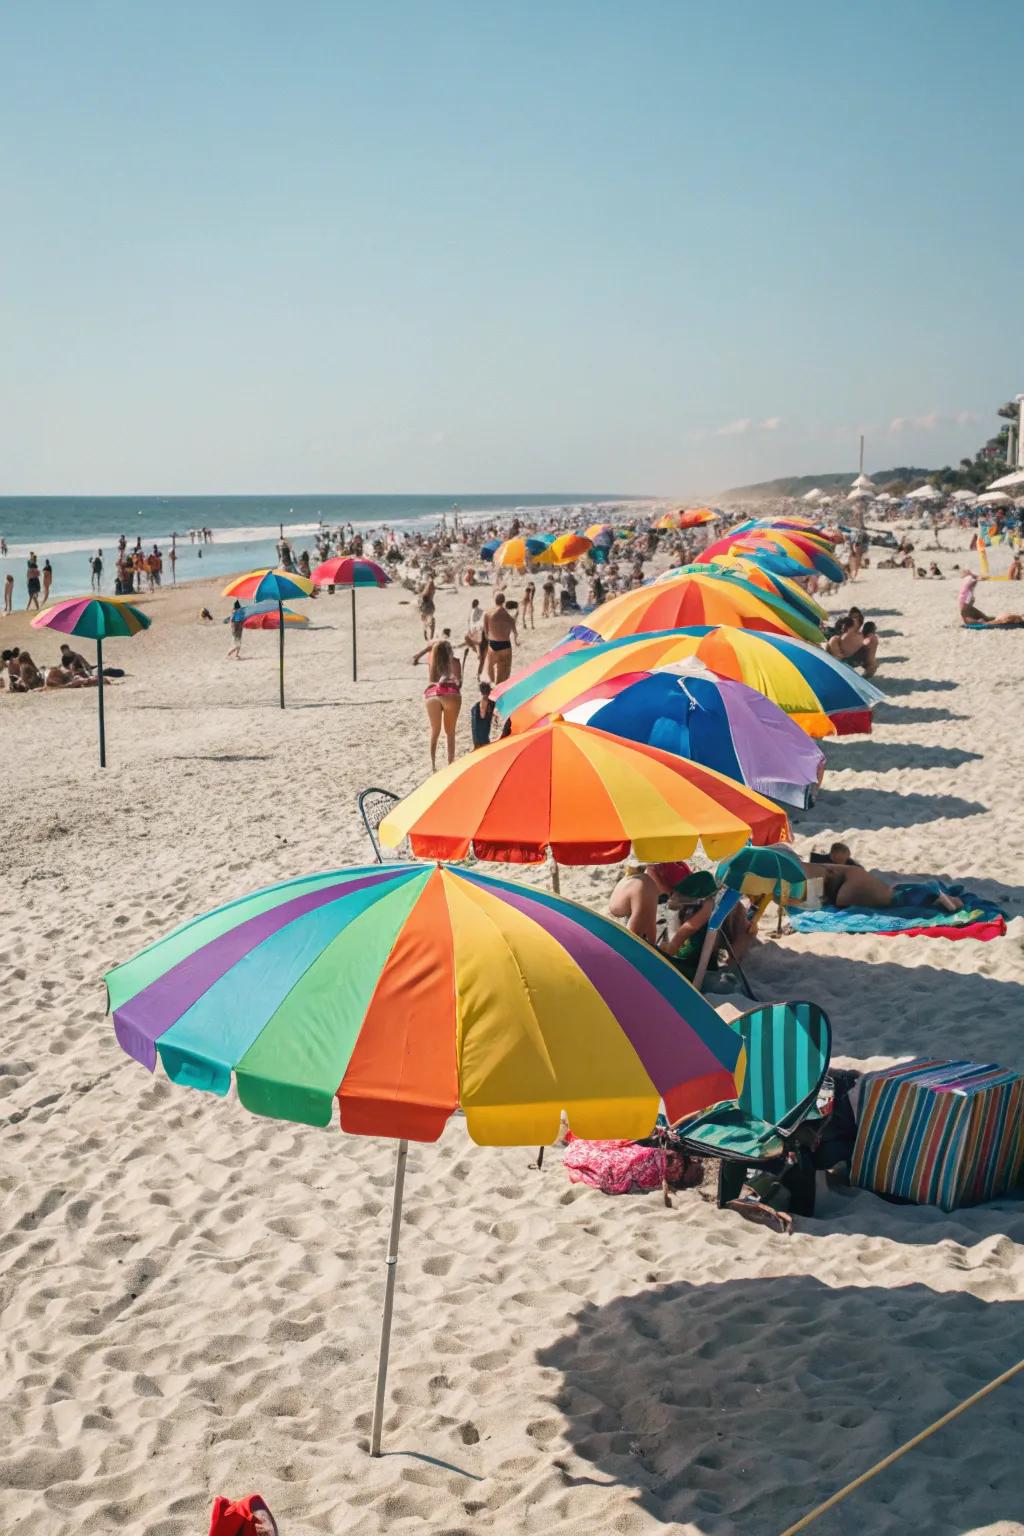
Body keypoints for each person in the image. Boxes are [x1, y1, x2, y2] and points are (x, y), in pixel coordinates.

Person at [608, 862, 694, 944]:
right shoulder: (646, 887)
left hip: (623, 906)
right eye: (672, 892)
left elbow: (650, 924)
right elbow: (633, 936)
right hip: (617, 929)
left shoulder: (640, 878)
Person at [423, 638, 462, 769]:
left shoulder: (433, 664)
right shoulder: (455, 662)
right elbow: (458, 683)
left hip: (432, 695)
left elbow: (432, 682)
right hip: (451, 695)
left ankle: (433, 765)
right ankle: (450, 764)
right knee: (450, 732)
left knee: (434, 732)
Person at [483, 592, 517, 683]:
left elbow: (486, 633)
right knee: (504, 672)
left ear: (495, 601)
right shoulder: (509, 616)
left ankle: (493, 686)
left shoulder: (488, 613)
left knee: (490, 669)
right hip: (506, 645)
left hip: (493, 643)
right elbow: (515, 633)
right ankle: (499, 687)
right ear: (504, 601)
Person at [470, 680, 496, 748]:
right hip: (485, 738)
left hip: (476, 740)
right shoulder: (492, 704)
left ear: (481, 692)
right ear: (490, 691)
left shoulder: (475, 707)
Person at [418, 574, 436, 640]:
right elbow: (425, 595)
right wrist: (430, 581)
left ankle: (427, 632)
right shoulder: (428, 590)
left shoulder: (422, 588)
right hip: (428, 606)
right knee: (430, 621)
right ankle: (430, 635)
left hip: (424, 606)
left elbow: (423, 594)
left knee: (425, 621)